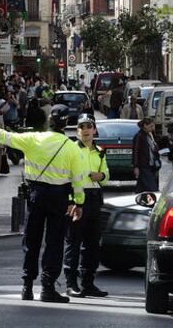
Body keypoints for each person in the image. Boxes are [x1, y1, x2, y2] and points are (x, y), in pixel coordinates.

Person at [0, 103, 85, 304]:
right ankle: (48, 287)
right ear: (66, 124)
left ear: (49, 121)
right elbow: (79, 180)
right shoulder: (72, 148)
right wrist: (78, 203)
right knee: (55, 242)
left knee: (31, 241)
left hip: (35, 195)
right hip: (59, 198)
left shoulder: (33, 139)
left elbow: (4, 136)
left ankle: (27, 286)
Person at [64, 113, 109, 298]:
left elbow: (106, 174)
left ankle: (88, 283)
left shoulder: (99, 150)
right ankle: (71, 284)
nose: (86, 130)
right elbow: (66, 176)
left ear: (94, 129)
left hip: (95, 198)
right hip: (77, 199)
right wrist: (70, 202)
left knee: (92, 244)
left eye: (89, 126)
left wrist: (102, 176)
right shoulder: (72, 149)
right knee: (73, 242)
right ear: (77, 130)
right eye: (82, 126)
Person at [132, 118, 161, 192]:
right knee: (153, 189)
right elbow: (135, 151)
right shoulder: (139, 136)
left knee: (141, 188)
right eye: (151, 126)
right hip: (144, 166)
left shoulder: (150, 135)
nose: (152, 128)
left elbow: (153, 148)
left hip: (151, 166)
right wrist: (136, 166)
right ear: (145, 125)